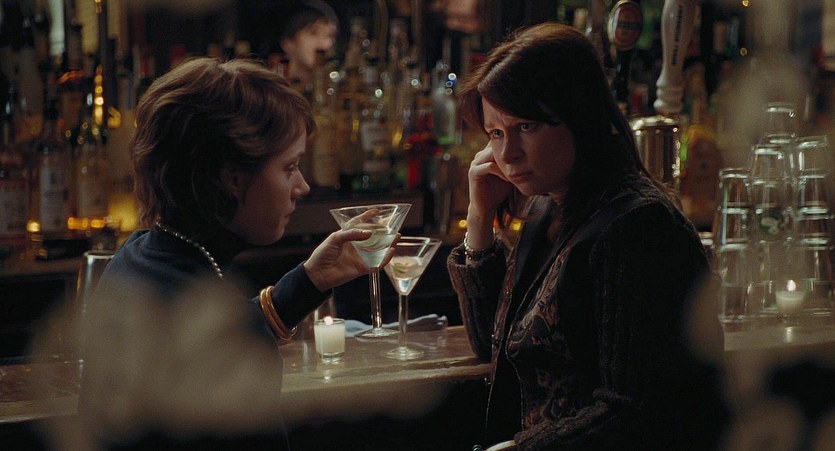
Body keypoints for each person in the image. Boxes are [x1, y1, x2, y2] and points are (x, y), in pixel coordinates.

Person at [74, 57, 389, 449]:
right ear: (233, 180)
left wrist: (309, 281)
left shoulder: (140, 255)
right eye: (289, 167)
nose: (302, 186)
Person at [447, 22, 728, 450]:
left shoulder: (638, 226)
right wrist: (479, 218)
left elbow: (637, 413)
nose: (507, 154)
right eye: (496, 133)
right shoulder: (548, 205)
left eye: (526, 127)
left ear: (580, 117)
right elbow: (495, 345)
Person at [277, 0, 338, 85]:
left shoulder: (337, 87)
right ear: (288, 43)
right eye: (313, 33)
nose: (325, 45)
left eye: (330, 35)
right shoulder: (270, 88)